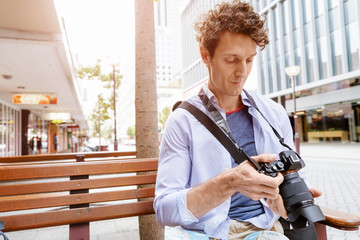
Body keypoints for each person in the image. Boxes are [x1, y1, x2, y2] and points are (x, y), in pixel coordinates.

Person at [153, 1, 321, 239]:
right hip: (208, 234)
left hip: (266, 230)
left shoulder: (273, 113)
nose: (242, 71)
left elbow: (295, 181)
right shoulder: (182, 121)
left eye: (249, 59)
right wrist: (229, 182)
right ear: (205, 55)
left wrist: (286, 203)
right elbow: (164, 209)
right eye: (231, 60)